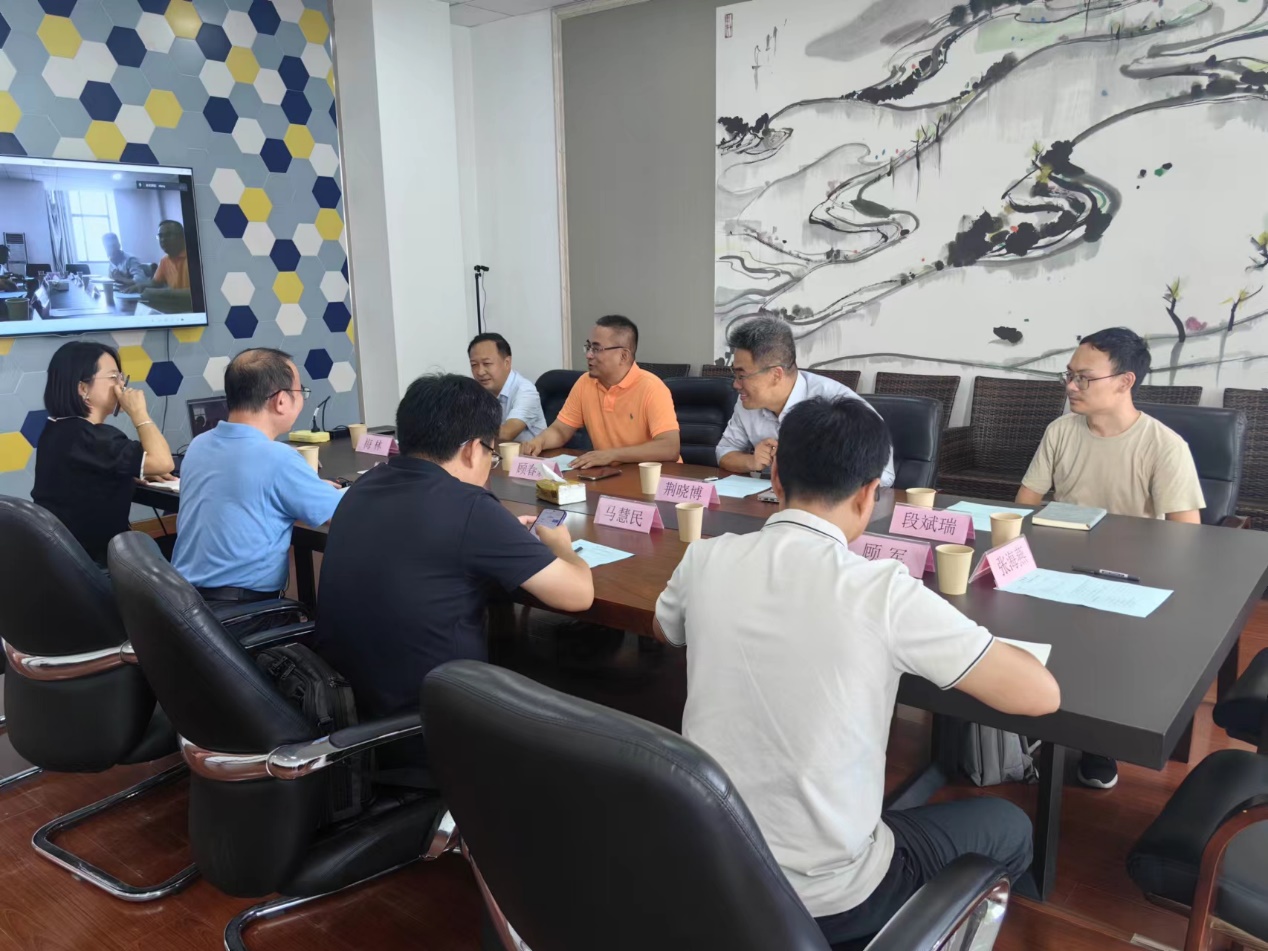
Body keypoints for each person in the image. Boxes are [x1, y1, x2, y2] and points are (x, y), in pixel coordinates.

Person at [655, 396, 1060, 948]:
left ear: (775, 476)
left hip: (709, 868)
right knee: (1010, 827)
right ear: (870, 493)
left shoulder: (706, 558)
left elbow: (665, 629)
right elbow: (1038, 695)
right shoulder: (882, 590)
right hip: (834, 900)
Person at [315, 374, 593, 775]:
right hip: (431, 732)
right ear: (471, 449)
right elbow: (578, 594)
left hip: (345, 711)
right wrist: (561, 545)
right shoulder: (468, 507)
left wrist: (499, 534)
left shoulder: (365, 485)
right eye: (491, 455)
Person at [1016, 325, 1203, 789]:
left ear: (1125, 382)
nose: (1071, 386)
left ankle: (1096, 744)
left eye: (1084, 378)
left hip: (1127, 576)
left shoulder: (1164, 446)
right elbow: (1025, 505)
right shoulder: (1060, 431)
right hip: (1056, 563)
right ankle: (1021, 725)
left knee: (1096, 644)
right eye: (1068, 375)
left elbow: (1187, 539)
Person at [172, 348, 343, 605]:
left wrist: (308, 489)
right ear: (281, 400)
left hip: (185, 606)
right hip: (244, 612)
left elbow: (244, 499)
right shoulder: (278, 458)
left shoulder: (198, 445)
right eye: (301, 392)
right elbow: (343, 514)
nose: (302, 399)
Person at [32, 341, 175, 567]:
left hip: (60, 564)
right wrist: (139, 413)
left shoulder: (57, 428)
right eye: (113, 377)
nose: (122, 386)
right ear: (83, 388)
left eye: (121, 377)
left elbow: (83, 476)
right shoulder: (94, 438)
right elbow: (164, 463)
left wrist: (126, 471)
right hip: (97, 567)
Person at [716, 316, 896, 486]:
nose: (735, 384)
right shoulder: (748, 402)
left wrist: (814, 467)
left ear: (776, 374)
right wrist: (752, 461)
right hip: (767, 500)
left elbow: (884, 476)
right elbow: (724, 452)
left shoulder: (838, 405)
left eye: (742, 376)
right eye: (735, 375)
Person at [521, 314, 680, 468]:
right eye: (588, 347)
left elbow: (669, 447)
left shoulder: (652, 388)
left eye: (597, 349)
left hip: (656, 477)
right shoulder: (585, 383)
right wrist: (539, 442)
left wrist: (612, 455)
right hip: (611, 474)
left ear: (623, 356)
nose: (589, 355)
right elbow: (560, 430)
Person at [468, 332, 545, 443]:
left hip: (531, 454)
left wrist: (464, 429)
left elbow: (507, 433)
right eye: (474, 365)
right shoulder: (477, 392)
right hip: (494, 452)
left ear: (507, 363)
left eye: (487, 363)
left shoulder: (526, 391)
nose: (480, 372)